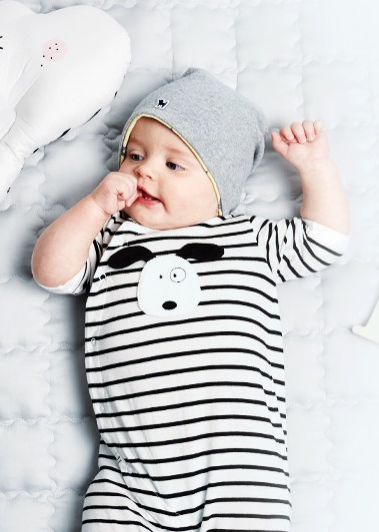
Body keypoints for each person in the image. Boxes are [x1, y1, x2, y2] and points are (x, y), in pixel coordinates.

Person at [31, 68, 350, 531]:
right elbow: (50, 272)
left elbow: (324, 241)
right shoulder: (112, 237)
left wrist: (316, 168)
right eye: (135, 155)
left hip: (238, 472)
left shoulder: (247, 239)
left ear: (219, 185)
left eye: (173, 165)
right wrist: (94, 208)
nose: (145, 171)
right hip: (129, 477)